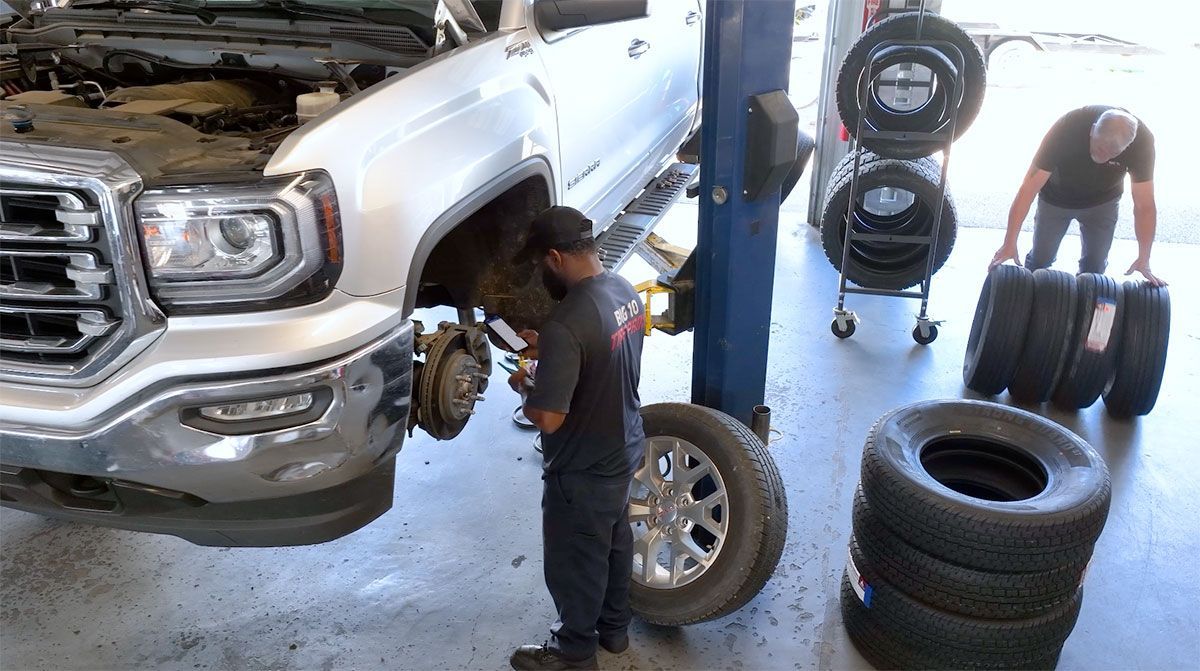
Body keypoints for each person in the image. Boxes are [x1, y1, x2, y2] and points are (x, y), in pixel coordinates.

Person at [506, 206, 646, 671]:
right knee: (614, 541)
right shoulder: (624, 291)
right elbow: (601, 351)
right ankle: (615, 632)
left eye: (541, 264)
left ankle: (574, 651)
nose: (542, 272)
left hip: (583, 468)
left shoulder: (566, 322)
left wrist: (528, 381)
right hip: (623, 448)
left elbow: (547, 417)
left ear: (554, 258)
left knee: (575, 561)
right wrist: (549, 347)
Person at [989, 105, 1166, 286]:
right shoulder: (1067, 128)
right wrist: (1009, 242)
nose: (1102, 155)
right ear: (1092, 130)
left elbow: (1144, 206)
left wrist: (1144, 258)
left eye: (1111, 154)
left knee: (1095, 268)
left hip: (1103, 202)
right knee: (1042, 259)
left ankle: (1088, 308)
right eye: (1098, 147)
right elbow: (1028, 188)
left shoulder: (1142, 142)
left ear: (1127, 147)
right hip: (1056, 199)